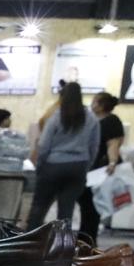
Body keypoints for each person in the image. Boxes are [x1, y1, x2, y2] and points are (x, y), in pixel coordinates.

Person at [29, 81, 101, 228]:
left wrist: (40, 165)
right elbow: (94, 146)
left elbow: (44, 144)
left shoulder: (56, 116)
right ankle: (62, 246)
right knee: (66, 210)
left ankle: (30, 242)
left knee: (39, 207)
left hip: (52, 165)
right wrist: (86, 166)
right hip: (78, 166)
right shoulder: (91, 118)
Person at [80, 92, 125, 241]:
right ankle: (85, 239)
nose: (91, 105)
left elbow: (113, 144)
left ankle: (87, 240)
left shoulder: (111, 121)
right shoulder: (94, 120)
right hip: (91, 168)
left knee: (91, 207)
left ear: (101, 106)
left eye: (94, 102)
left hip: (100, 169)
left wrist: (112, 162)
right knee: (87, 206)